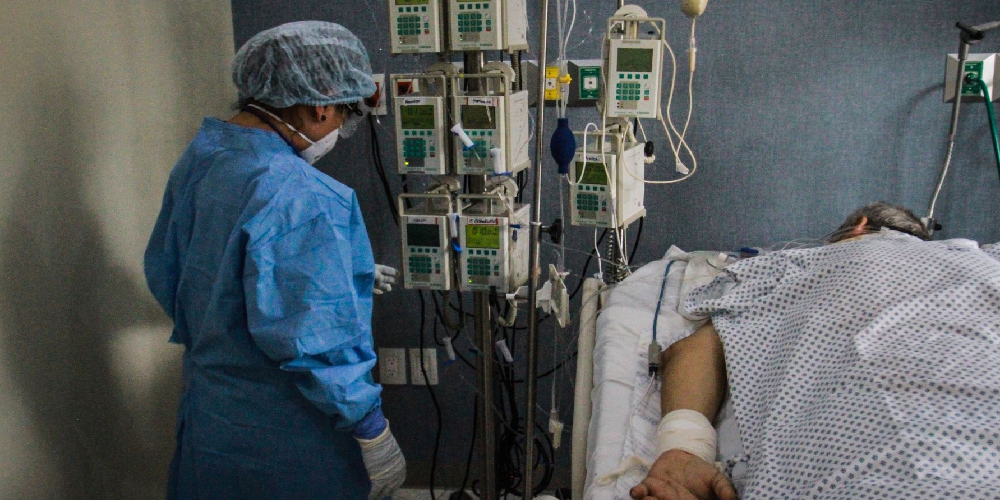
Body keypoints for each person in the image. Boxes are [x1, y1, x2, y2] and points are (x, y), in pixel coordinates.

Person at [144, 21, 404, 500]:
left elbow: (176, 271)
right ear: (322, 104)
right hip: (284, 433)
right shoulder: (302, 195)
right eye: (344, 116)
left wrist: (340, 273)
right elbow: (318, 342)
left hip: (214, 417)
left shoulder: (203, 158)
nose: (339, 130)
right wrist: (371, 428)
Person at [630, 202, 1000, 500]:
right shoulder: (983, 260)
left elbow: (697, 350)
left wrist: (683, 447)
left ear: (860, 226)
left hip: (857, 464)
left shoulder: (793, 264)